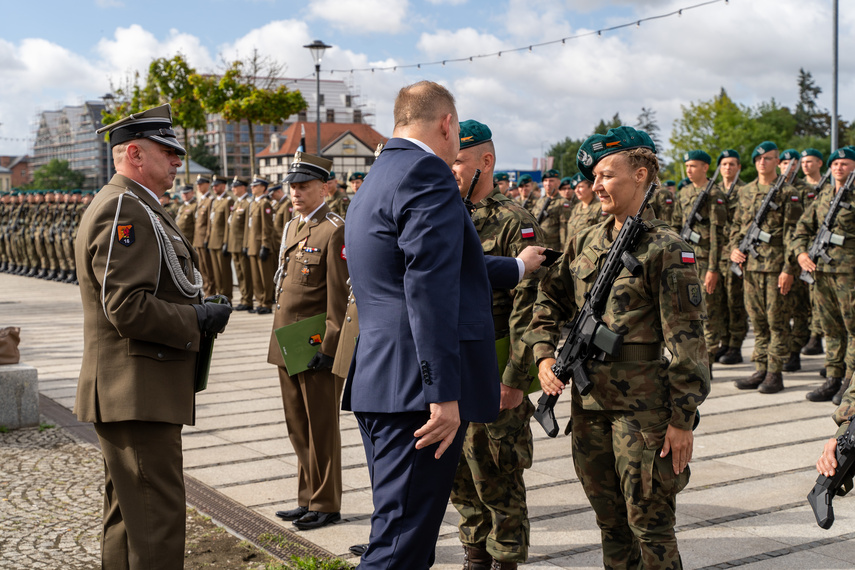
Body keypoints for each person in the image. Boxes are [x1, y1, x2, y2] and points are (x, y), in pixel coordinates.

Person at [342, 81, 543, 570]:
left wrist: (516, 267)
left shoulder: (380, 174)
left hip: (380, 381)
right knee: (400, 547)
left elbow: (441, 264)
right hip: (417, 393)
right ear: (447, 124)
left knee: (400, 531)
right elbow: (426, 288)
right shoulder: (425, 174)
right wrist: (442, 393)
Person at [523, 126, 709, 570]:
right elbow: (547, 300)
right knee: (609, 520)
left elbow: (689, 345)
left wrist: (682, 420)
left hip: (642, 411)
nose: (597, 185)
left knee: (650, 523)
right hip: (589, 404)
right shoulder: (587, 240)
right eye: (596, 177)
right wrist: (545, 355)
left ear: (641, 175)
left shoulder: (667, 249)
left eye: (608, 175)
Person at [74, 104, 232, 569]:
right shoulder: (125, 208)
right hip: (136, 392)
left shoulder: (132, 204)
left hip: (135, 391)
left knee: (129, 521)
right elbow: (126, 307)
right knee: (157, 522)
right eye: (169, 152)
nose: (179, 162)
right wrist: (197, 319)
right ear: (136, 154)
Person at [449, 120, 544, 570]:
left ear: (485, 162)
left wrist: (516, 379)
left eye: (458, 161)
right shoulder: (447, 213)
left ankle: (505, 558)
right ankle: (474, 551)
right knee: (458, 469)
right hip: (453, 366)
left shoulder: (515, 221)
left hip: (496, 365)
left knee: (496, 470)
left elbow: (532, 306)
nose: (450, 169)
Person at [268, 152, 350, 531]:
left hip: (315, 343)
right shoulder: (292, 227)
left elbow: (340, 296)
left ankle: (326, 502)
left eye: (304, 186)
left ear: (325, 187)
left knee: (321, 427)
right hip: (289, 340)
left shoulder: (334, 230)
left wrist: (329, 345)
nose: (296, 193)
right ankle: (307, 497)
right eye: (293, 186)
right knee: (298, 425)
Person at [730, 141, 804, 394]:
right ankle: (761, 368)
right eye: (760, 159)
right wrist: (733, 248)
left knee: (777, 322)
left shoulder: (787, 192)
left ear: (777, 161)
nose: (764, 162)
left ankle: (775, 373)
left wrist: (788, 269)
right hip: (750, 268)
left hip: (775, 268)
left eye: (769, 158)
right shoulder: (745, 192)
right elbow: (735, 227)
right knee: (758, 322)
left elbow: (793, 234)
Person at [791, 147, 855, 403]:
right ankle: (833, 378)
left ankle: (849, 384)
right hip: (821, 273)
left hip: (849, 275)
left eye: (845, 163)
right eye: (835, 163)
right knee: (831, 330)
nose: (839, 168)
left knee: (853, 330)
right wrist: (801, 254)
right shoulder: (824, 195)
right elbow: (801, 229)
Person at [669, 150, 729, 371]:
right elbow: (674, 226)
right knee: (686, 311)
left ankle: (708, 360)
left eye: (693, 166)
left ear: (705, 167)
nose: (689, 170)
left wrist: (713, 268)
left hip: (705, 262)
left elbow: (717, 234)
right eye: (687, 166)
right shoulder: (683, 193)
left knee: (708, 311)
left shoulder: (715, 194)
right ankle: (690, 357)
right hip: (684, 262)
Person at [716, 150, 749, 365]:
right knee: (719, 302)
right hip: (716, 254)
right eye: (724, 164)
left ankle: (736, 345)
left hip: (736, 252)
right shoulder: (713, 190)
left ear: (738, 167)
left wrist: (735, 248)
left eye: (732, 164)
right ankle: (724, 342)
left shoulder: (745, 191)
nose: (728, 168)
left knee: (735, 301)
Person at [800, 148, 828, 357]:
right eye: (803, 162)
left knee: (818, 296)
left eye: (810, 161)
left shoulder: (829, 187)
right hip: (804, 248)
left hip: (823, 249)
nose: (806, 165)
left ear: (819, 163)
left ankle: (816, 335)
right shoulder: (796, 187)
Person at [245, 176, 275, 315]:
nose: (252, 188)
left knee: (265, 276)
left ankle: (267, 302)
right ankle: (260, 302)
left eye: (255, 186)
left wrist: (266, 245)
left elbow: (267, 227)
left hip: (261, 245)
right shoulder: (254, 203)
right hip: (253, 245)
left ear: (263, 188)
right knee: (256, 277)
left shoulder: (265, 204)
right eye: (252, 185)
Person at [228, 176, 254, 311]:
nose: (233, 189)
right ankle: (244, 298)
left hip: (241, 244)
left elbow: (247, 228)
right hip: (234, 244)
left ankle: (247, 299)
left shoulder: (247, 203)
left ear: (243, 187)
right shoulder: (238, 203)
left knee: (245, 273)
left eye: (235, 186)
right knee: (239, 273)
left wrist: (245, 244)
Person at [207, 174, 234, 301]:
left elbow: (228, 224)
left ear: (223, 186)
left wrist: (226, 242)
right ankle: (219, 294)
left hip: (222, 241)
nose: (214, 188)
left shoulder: (228, 201)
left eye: (217, 185)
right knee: (216, 272)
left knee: (224, 272)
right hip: (213, 241)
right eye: (213, 186)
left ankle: (227, 296)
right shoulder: (215, 201)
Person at [564, 172, 603, 249]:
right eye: (575, 188)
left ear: (591, 187)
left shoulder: (600, 208)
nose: (576, 190)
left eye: (580, 187)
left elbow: (601, 237)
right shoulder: (576, 208)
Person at [192, 174, 216, 297]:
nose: (198, 186)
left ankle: (211, 292)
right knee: (202, 269)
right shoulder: (201, 200)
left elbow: (209, 223)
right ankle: (207, 291)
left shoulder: (211, 200)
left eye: (201, 184)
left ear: (207, 185)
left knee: (208, 268)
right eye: (198, 184)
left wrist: (207, 238)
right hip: (198, 240)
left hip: (204, 240)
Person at [532, 168, 564, 250]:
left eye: (551, 181)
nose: (548, 183)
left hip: (554, 247)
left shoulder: (562, 203)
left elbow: (564, 229)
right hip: (539, 245)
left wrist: (563, 250)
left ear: (558, 183)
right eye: (545, 181)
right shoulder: (539, 201)